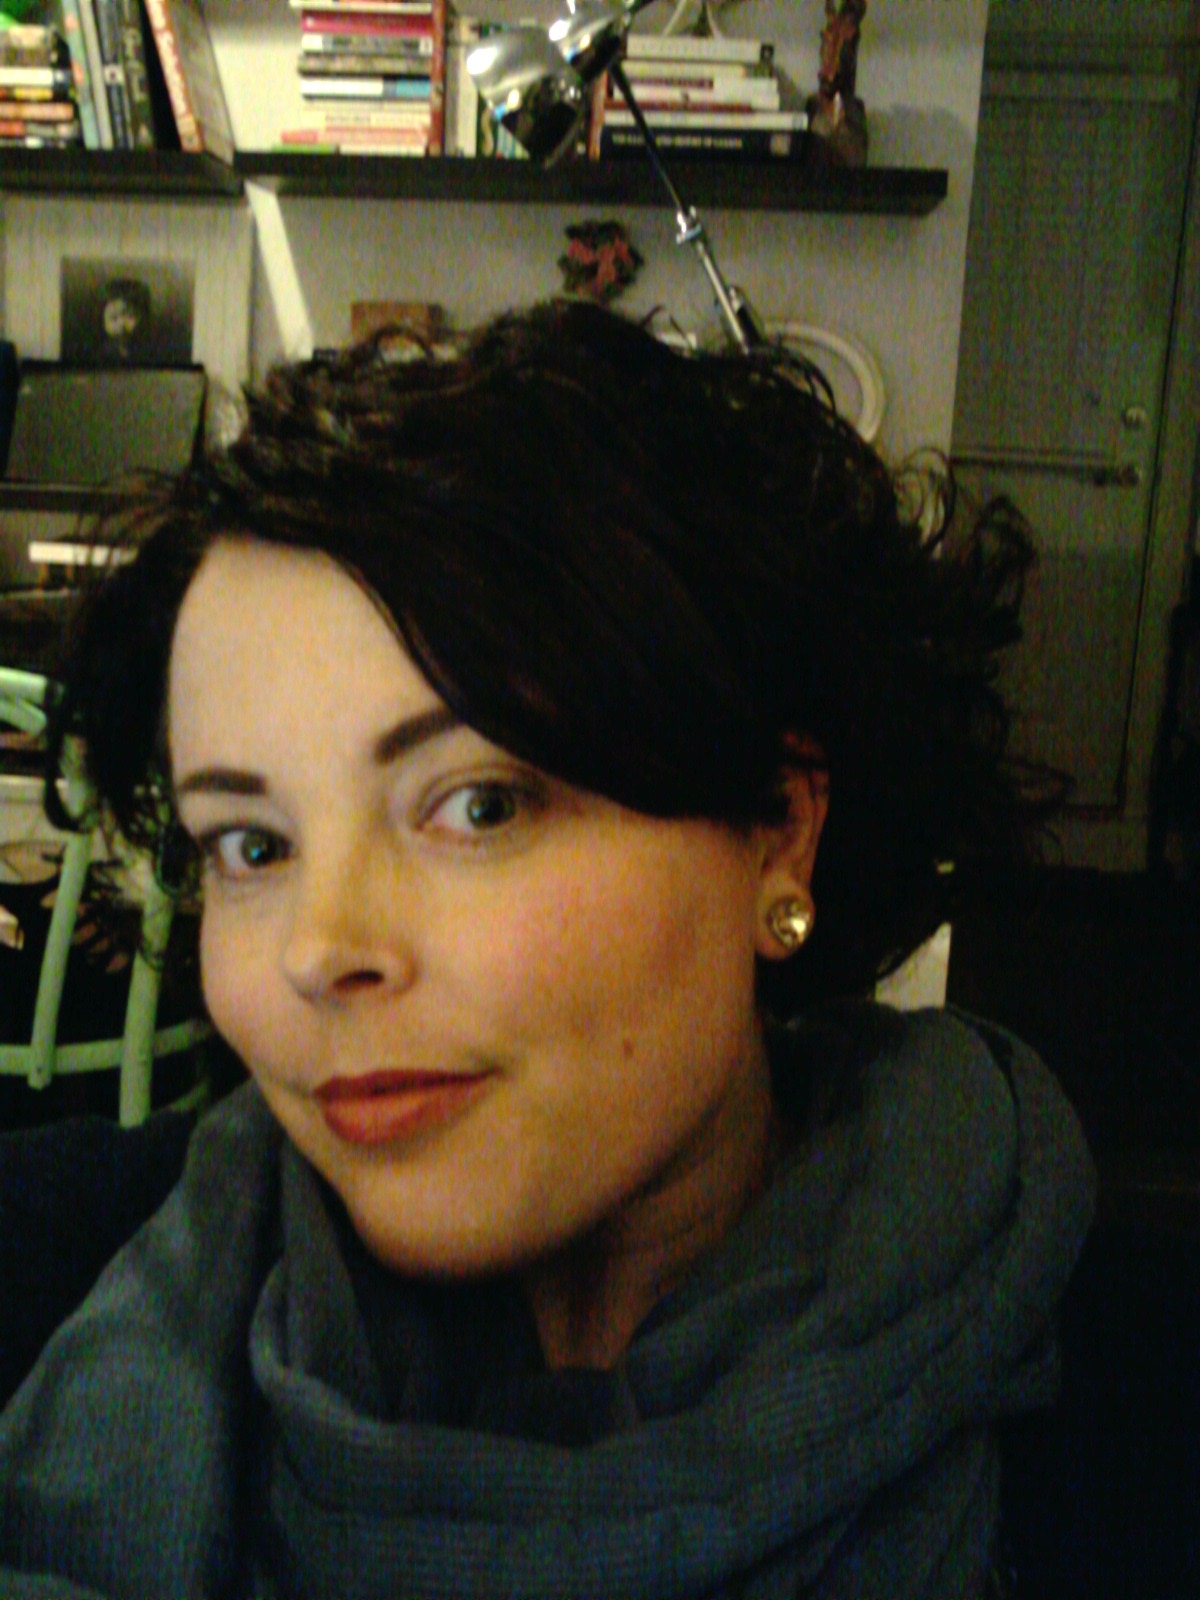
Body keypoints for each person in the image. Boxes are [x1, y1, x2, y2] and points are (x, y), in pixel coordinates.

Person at [0, 299, 1093, 1598]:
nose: (319, 950)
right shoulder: (60, 1279)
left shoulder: (1116, 1421)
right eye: (251, 844)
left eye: (479, 806)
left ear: (779, 832)